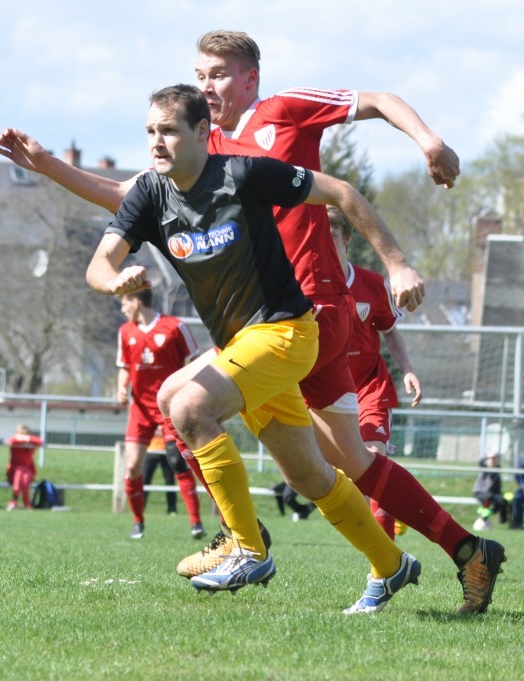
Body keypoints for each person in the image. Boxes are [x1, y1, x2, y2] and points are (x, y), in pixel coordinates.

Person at [0, 29, 503, 616]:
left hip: (308, 312)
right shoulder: (196, 146)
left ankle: (243, 540)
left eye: (219, 73)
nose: (207, 84)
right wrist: (48, 165)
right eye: (200, 74)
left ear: (250, 79)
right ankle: (453, 552)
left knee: (185, 403)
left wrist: (428, 145)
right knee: (335, 466)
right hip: (255, 330)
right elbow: (128, 197)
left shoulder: (279, 115)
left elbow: (379, 103)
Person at [82, 84, 419, 612]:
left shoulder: (241, 174)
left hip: (287, 333)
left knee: (187, 402)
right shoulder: (150, 193)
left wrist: (397, 262)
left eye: (168, 130)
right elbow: (98, 263)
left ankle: (247, 547)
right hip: (244, 346)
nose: (157, 142)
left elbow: (343, 194)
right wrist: (115, 280)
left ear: (201, 132)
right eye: (149, 131)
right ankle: (391, 564)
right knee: (307, 475)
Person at [330, 206, 423, 538]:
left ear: (348, 239)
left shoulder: (371, 285)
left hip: (370, 386)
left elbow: (391, 331)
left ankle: (386, 563)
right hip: (327, 391)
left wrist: (408, 369)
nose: (326, 245)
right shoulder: (306, 285)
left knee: (372, 458)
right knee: (340, 473)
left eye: (333, 237)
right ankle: (396, 502)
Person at [114, 288, 200, 539]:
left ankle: (195, 522)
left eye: (124, 304)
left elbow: (194, 360)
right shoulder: (125, 332)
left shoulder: (175, 326)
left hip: (169, 407)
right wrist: (122, 387)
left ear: (136, 301)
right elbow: (124, 367)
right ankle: (138, 521)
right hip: (140, 408)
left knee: (177, 461)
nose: (122, 309)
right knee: (131, 466)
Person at [144, 434, 205, 536]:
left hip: (168, 444)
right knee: (142, 478)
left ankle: (193, 520)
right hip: (150, 450)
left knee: (173, 475)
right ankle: (138, 519)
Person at [5, 424, 43, 510]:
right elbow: (11, 440)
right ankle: (27, 503)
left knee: (22, 475)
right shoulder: (15, 441)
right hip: (13, 471)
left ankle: (14, 500)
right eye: (21, 434)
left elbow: (40, 441)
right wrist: (23, 440)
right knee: (19, 472)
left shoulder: (31, 442)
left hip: (28, 471)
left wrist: (25, 439)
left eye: (25, 434)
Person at [472, 451, 507, 530]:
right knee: (488, 499)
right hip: (480, 492)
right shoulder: (484, 467)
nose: (493, 460)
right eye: (491, 459)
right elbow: (480, 462)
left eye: (494, 459)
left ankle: (501, 519)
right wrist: (487, 456)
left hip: (492, 494)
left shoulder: (497, 469)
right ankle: (483, 519)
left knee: (503, 501)